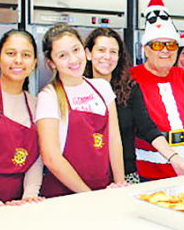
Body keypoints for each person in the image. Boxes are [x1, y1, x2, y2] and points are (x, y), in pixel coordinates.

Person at [84, 27, 184, 183]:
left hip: (126, 175)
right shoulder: (78, 89)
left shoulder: (129, 88)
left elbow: (147, 127)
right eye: (101, 50)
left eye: (113, 52)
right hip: (88, 174)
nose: (107, 57)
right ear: (88, 54)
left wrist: (173, 157)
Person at [36, 24, 125, 197]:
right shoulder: (49, 96)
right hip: (64, 195)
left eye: (76, 50)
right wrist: (88, 195)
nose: (73, 59)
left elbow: (114, 138)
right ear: (51, 63)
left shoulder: (102, 87)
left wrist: (119, 183)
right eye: (62, 55)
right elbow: (51, 158)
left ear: (85, 51)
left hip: (104, 188)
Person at [131, 0, 184, 180]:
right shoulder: (132, 77)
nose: (165, 51)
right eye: (157, 45)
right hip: (145, 172)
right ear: (145, 49)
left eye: (171, 45)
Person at [0, 29, 43, 209]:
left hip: (17, 205)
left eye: (26, 55)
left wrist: (29, 197)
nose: (18, 60)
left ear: (34, 63)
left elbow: (36, 159)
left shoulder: (36, 105)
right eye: (11, 53)